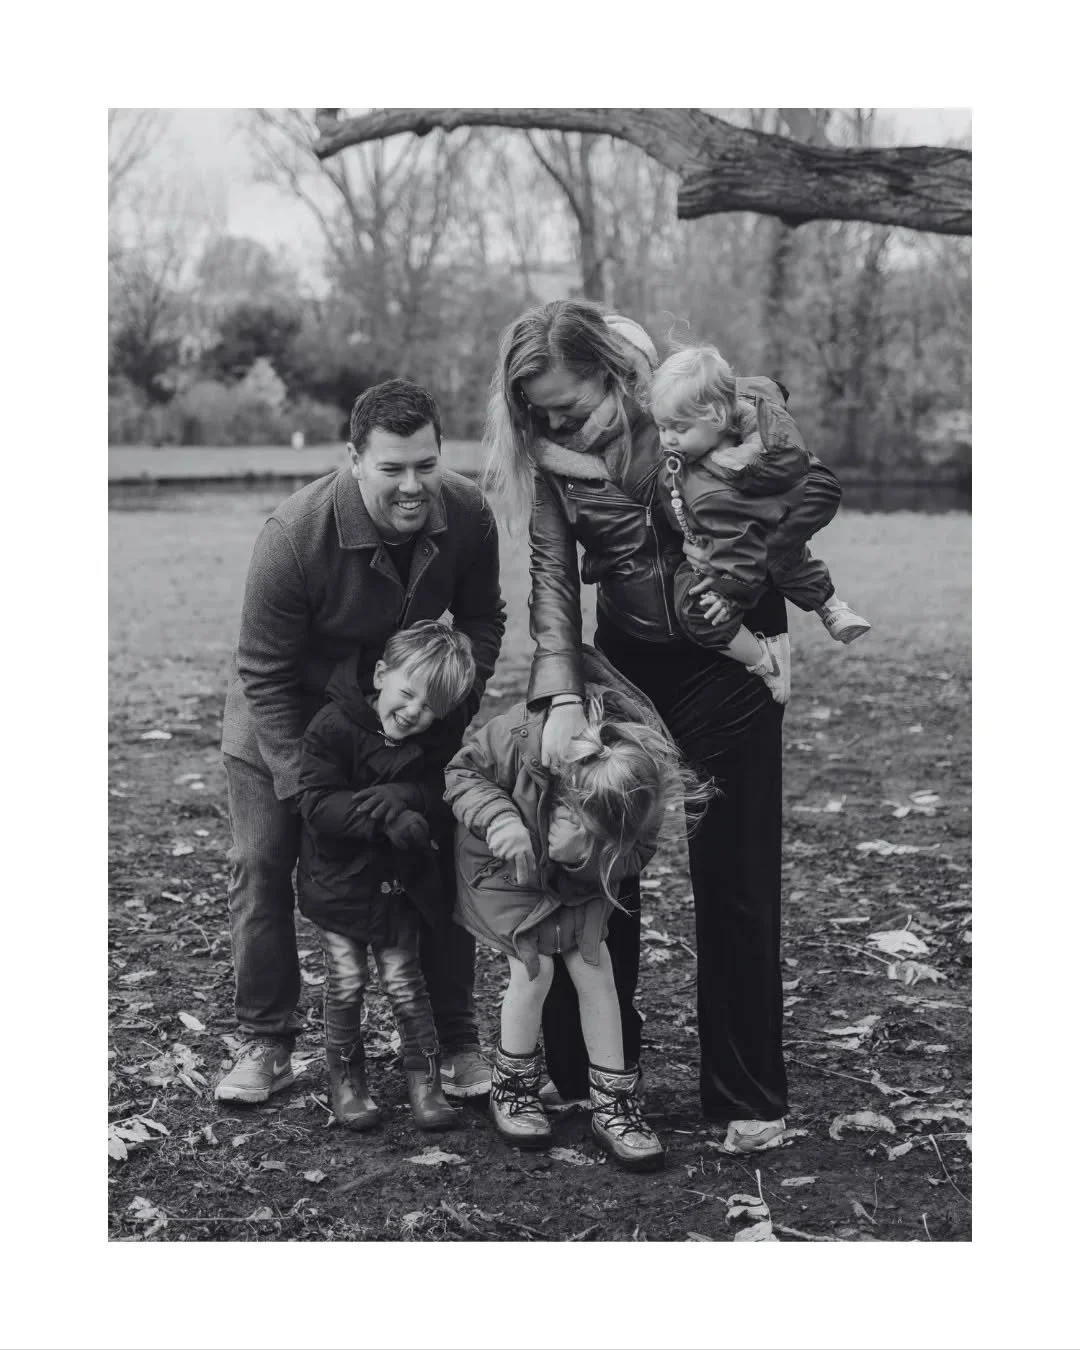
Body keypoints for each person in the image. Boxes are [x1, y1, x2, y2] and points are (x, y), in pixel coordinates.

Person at [484, 299, 801, 1152]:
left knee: (737, 882)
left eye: (572, 403)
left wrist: (755, 413)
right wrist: (556, 695)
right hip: (626, 671)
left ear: (615, 372)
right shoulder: (551, 457)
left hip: (728, 663)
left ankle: (745, 1094)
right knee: (598, 872)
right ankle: (592, 1077)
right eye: (541, 413)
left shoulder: (684, 408)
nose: (558, 422)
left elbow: (777, 445)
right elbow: (553, 578)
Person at [216, 379, 505, 1106]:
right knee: (263, 861)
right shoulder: (294, 535)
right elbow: (264, 670)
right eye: (392, 469)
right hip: (284, 717)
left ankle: (457, 1043)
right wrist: (309, 791)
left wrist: (446, 713)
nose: (414, 486)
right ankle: (267, 1041)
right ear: (353, 459)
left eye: (426, 465)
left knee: (433, 854)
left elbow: (482, 621)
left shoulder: (467, 513)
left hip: (405, 712)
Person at [444, 648, 708, 1169]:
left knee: (596, 970)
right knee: (534, 970)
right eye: (582, 828)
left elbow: (635, 852)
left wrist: (590, 858)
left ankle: (613, 1102)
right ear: (565, 795)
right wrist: (502, 821)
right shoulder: (523, 739)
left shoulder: (636, 785)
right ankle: (513, 1086)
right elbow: (461, 774)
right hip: (506, 859)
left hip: (579, 879)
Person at [297, 621, 476, 1132]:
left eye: (430, 708)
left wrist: (411, 799)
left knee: (404, 982)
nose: (414, 712)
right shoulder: (332, 726)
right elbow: (316, 803)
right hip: (339, 885)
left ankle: (425, 1080)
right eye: (406, 694)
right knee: (347, 981)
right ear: (380, 675)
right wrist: (383, 816)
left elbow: (445, 793)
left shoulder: (438, 741)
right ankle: (347, 1080)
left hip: (401, 888)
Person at [648, 343, 870, 697]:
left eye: (678, 428)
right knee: (789, 557)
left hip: (731, 560)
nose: (667, 439)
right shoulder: (746, 428)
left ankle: (764, 661)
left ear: (718, 417)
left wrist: (729, 589)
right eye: (662, 427)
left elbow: (740, 544)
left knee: (696, 610)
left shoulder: (715, 483)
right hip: (745, 541)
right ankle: (831, 607)